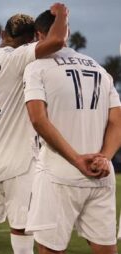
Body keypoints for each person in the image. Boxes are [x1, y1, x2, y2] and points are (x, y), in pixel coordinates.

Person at [0, 4, 69, 253]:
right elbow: (57, 40)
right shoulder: (20, 57)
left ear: (2, 34)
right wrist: (62, 13)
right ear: (31, 39)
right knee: (21, 235)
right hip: (20, 165)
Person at [23, 10, 121, 254]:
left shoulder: (37, 67)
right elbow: (117, 122)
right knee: (107, 249)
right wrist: (104, 157)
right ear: (67, 31)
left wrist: (77, 160)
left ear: (38, 34)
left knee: (50, 249)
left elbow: (38, 120)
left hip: (59, 174)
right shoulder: (100, 69)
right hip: (102, 174)